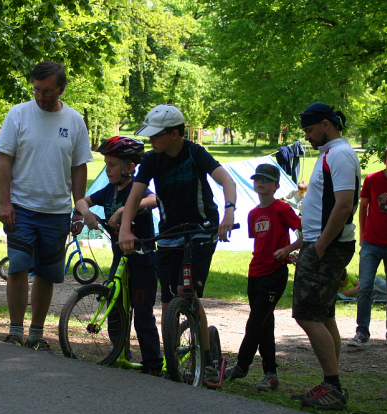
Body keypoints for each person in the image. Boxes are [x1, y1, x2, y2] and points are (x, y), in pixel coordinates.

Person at [118, 104, 237, 376]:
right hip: (170, 232)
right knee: (167, 299)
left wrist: (229, 210)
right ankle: (171, 356)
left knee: (188, 293)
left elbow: (227, 181)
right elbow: (134, 197)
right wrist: (127, 229)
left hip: (202, 230)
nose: (151, 141)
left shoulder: (195, 154)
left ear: (174, 134)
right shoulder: (151, 159)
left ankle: (206, 359)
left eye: (156, 135)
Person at [0, 61, 93, 352]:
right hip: (21, 208)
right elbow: (5, 160)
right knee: (18, 267)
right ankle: (15, 331)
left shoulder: (74, 120)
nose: (41, 96)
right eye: (36, 90)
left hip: (57, 211)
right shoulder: (19, 114)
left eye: (47, 91)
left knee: (48, 273)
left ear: (61, 89)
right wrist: (5, 203)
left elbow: (79, 167)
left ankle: (36, 334)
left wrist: (78, 206)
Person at [290, 102, 360, 410]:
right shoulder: (329, 153)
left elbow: (345, 205)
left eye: (309, 129)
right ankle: (330, 383)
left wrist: (319, 246)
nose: (306, 136)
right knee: (324, 313)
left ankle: (333, 386)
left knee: (306, 312)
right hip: (320, 242)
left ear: (325, 125)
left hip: (327, 246)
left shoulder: (341, 155)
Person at [75, 136, 163, 375]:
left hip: (143, 260)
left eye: (112, 165)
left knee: (142, 314)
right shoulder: (109, 191)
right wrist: (86, 214)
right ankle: (119, 352)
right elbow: (81, 201)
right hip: (119, 259)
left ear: (130, 167)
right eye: (106, 164)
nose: (108, 169)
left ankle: (153, 364)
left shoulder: (138, 188)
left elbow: (155, 199)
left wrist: (127, 208)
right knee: (114, 305)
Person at [223, 164, 302, 391]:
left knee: (255, 324)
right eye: (258, 179)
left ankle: (241, 366)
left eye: (266, 180)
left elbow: (305, 232)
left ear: (276, 186)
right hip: (254, 273)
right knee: (264, 324)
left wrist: (288, 250)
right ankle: (271, 374)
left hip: (274, 274)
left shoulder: (282, 209)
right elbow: (262, 242)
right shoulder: (253, 213)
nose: (261, 183)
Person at [346, 145, 387, 347]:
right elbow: (362, 206)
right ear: (385, 160)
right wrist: (363, 235)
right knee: (364, 287)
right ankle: (362, 332)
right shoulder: (372, 180)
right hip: (371, 242)